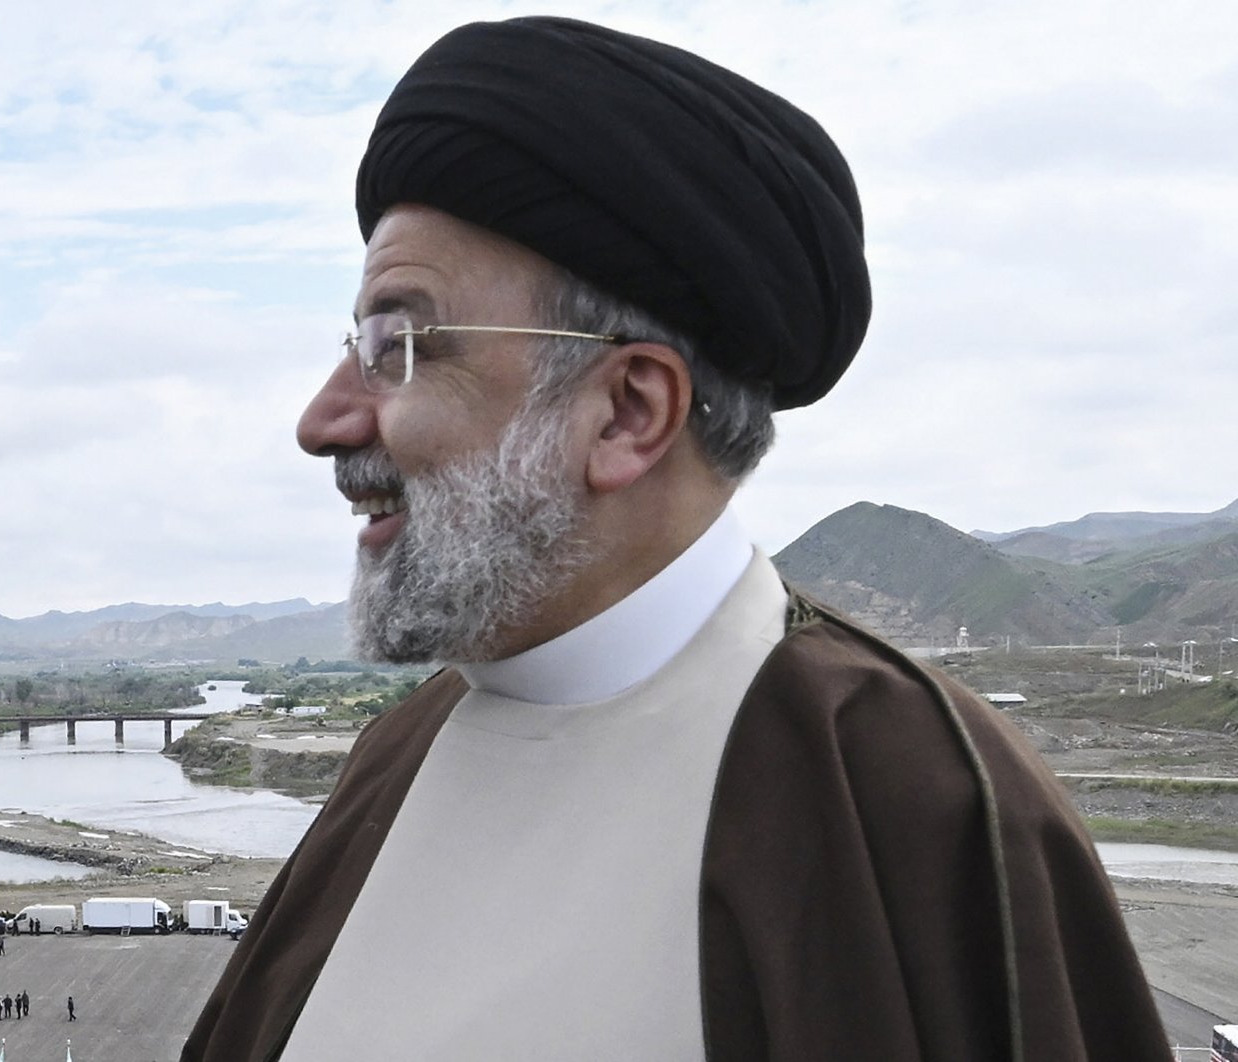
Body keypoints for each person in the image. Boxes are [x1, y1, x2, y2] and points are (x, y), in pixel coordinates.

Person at [180, 15, 1172, 1062]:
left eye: (399, 345)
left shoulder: (916, 795)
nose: (322, 421)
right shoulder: (395, 755)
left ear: (627, 411)